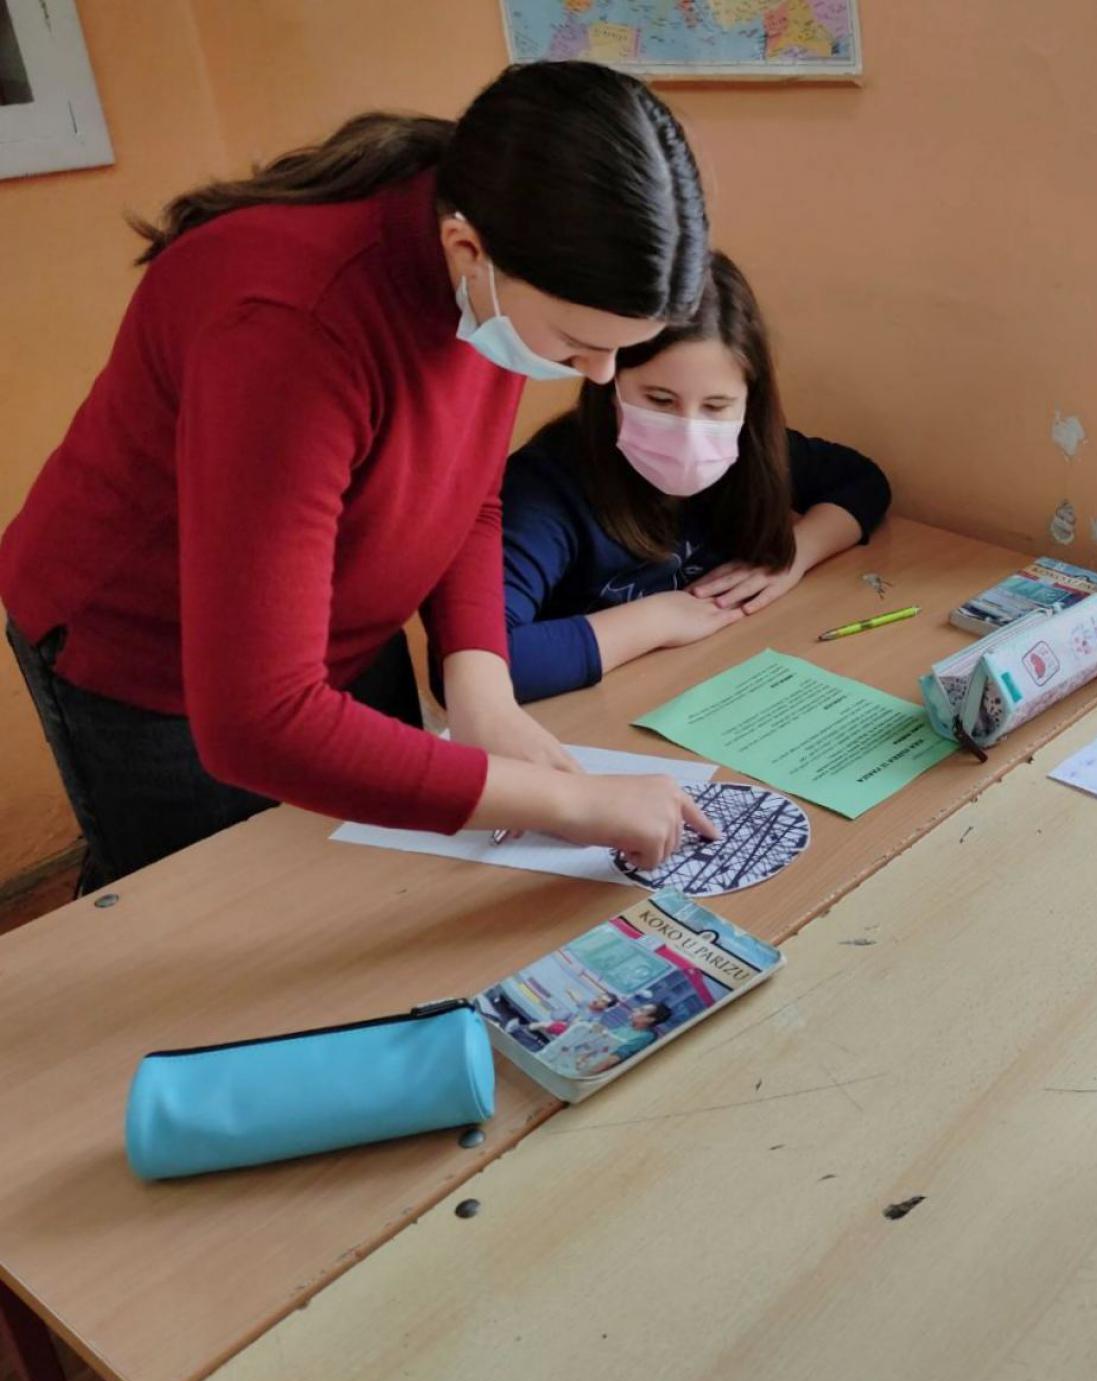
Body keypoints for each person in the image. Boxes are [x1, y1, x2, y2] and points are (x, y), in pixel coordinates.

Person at [0, 62, 717, 892]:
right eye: (578, 344)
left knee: (360, 880)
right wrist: (576, 803)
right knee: (212, 905)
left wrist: (481, 689)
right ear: (467, 251)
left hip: (333, 624)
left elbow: (465, 491)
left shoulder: (494, 260)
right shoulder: (291, 329)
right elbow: (258, 722)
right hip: (153, 653)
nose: (598, 375)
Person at [499, 251, 890, 703]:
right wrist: (656, 621)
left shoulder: (749, 449)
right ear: (609, 384)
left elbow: (862, 481)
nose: (688, 431)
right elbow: (482, 663)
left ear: (749, 403)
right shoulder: (545, 488)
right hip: (587, 712)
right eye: (660, 400)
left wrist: (792, 557)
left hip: (712, 685)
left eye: (716, 406)